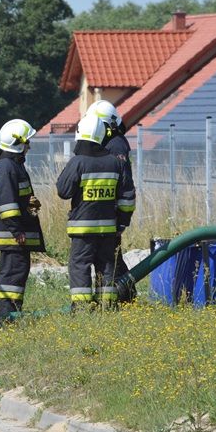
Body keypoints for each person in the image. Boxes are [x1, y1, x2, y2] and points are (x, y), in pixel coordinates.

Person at [56, 113, 135, 310]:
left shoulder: (78, 162)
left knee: (80, 266)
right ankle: (106, 306)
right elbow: (127, 197)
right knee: (107, 267)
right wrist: (122, 223)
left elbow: (63, 191)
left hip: (82, 230)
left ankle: (82, 309)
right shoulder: (115, 162)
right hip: (108, 229)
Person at [0, 119, 45, 318]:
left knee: (17, 274)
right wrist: (16, 230)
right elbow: (5, 202)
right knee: (12, 276)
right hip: (13, 236)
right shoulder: (7, 166)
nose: (29, 146)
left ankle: (12, 315)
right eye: (27, 142)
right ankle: (8, 318)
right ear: (19, 144)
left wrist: (29, 203)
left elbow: (15, 197)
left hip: (15, 234)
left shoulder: (12, 165)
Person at [86, 100, 136, 300]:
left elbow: (124, 185)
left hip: (112, 213)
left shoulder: (115, 145)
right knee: (109, 259)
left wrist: (122, 219)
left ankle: (125, 297)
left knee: (111, 260)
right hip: (106, 212)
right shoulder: (112, 142)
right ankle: (119, 297)